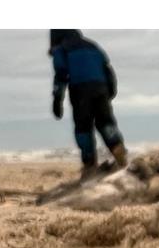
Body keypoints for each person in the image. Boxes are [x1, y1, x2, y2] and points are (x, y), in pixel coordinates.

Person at [49, 29, 128, 179]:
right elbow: (108, 70)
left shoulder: (62, 49)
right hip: (101, 88)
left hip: (80, 90)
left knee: (83, 127)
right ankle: (119, 152)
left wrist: (57, 99)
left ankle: (90, 166)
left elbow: (60, 74)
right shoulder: (93, 46)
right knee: (106, 123)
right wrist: (109, 92)